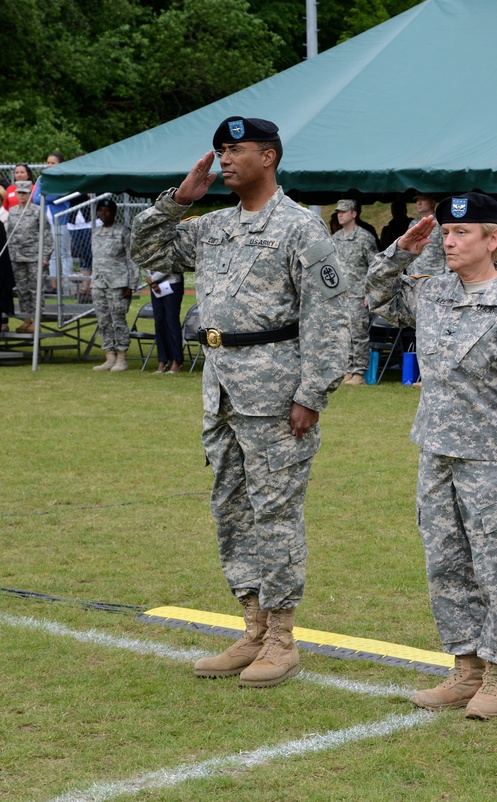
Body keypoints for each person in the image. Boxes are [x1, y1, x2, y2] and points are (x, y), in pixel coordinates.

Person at [130, 115, 351, 687]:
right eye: (220, 151)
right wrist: (178, 200)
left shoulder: (301, 228)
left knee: (275, 512)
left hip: (277, 393)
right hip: (222, 387)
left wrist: (312, 394)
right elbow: (146, 248)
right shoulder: (214, 226)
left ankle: (281, 636)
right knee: (231, 508)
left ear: (269, 157)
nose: (224, 159)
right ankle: (251, 626)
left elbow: (330, 318)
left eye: (236, 150)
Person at [367, 192, 497, 720]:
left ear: (491, 239)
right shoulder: (432, 294)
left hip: (496, 461)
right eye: (446, 234)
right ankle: (466, 670)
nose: (449, 243)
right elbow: (373, 294)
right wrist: (402, 252)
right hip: (437, 452)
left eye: (461, 234)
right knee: (446, 565)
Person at [331, 198, 378, 386]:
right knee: (344, 334)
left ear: (354, 214)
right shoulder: (335, 238)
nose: (339, 215)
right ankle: (347, 369)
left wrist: (370, 293)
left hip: (358, 294)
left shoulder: (365, 238)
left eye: (344, 211)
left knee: (358, 334)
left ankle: (359, 372)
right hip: (340, 294)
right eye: (338, 212)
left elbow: (375, 267)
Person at [89, 198, 138, 372]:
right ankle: (109, 355)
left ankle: (122, 357)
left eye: (107, 211)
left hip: (118, 283)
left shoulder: (123, 232)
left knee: (118, 320)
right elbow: (95, 260)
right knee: (103, 320)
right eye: (101, 211)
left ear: (114, 212)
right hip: (99, 283)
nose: (104, 214)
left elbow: (132, 259)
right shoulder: (96, 232)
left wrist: (131, 284)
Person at [6, 181, 52, 333]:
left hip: (34, 257)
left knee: (36, 289)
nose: (21, 195)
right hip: (17, 257)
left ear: (30, 194)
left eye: (24, 193)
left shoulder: (38, 211)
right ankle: (27, 320)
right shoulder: (12, 211)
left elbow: (46, 235)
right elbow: (9, 234)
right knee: (22, 289)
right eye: (19, 192)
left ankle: (37, 321)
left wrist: (45, 256)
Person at [32, 153, 74, 293]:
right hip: (46, 221)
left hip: (60, 221)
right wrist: (46, 196)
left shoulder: (64, 178)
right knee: (51, 254)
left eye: (53, 163)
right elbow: (36, 199)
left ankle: (67, 286)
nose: (49, 165)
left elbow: (56, 196)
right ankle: (55, 286)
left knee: (63, 253)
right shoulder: (42, 179)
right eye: (48, 162)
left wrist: (45, 196)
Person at [144, 262, 186, 374]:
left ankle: (177, 360)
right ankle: (163, 359)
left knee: (172, 322)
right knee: (159, 322)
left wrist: (153, 278)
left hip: (172, 283)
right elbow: (145, 260)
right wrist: (151, 281)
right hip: (154, 284)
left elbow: (171, 262)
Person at [405, 193, 447, 276]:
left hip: (436, 276)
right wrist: (409, 271)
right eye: (417, 200)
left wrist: (447, 274)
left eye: (422, 200)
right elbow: (408, 250)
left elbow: (449, 249)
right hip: (415, 275)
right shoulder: (413, 224)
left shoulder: (440, 223)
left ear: (433, 203)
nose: (418, 203)